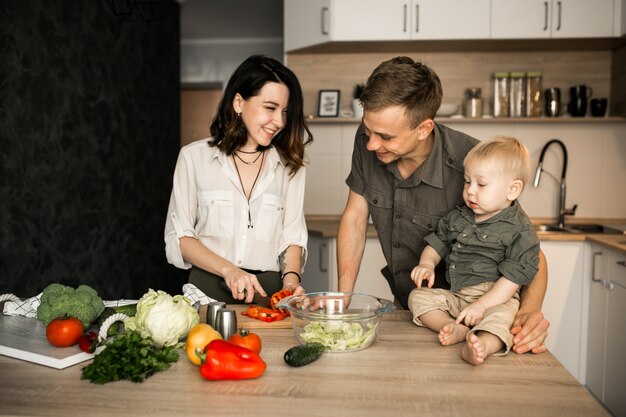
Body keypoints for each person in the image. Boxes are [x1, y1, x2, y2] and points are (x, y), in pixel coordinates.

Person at [337, 56, 550, 354]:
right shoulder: (369, 139)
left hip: (477, 314)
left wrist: (529, 310)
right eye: (367, 130)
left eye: (385, 137)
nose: (371, 144)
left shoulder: (473, 163)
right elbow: (355, 219)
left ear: (424, 128)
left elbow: (529, 251)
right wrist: (341, 299)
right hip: (422, 313)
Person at [164, 55, 313, 303]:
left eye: (285, 111)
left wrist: (291, 284)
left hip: (268, 294)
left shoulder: (291, 165)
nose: (279, 122)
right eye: (270, 108)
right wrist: (229, 270)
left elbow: (292, 236)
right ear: (238, 103)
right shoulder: (193, 158)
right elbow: (179, 237)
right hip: (205, 291)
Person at [409, 136, 540, 365]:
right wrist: (427, 264)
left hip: (497, 298)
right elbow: (436, 244)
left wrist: (481, 306)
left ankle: (483, 346)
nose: (470, 191)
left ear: (512, 189)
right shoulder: (459, 216)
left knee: (501, 320)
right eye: (467, 182)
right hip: (458, 295)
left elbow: (511, 281)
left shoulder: (520, 230)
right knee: (417, 297)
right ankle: (453, 328)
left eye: (481, 184)